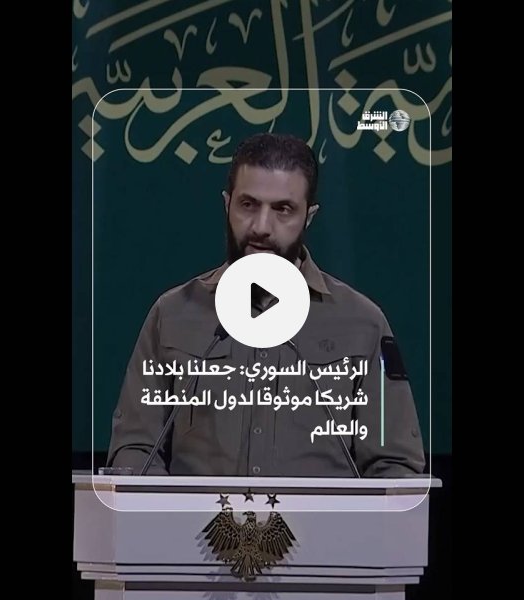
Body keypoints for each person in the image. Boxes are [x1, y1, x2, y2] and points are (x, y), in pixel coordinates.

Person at [106, 133, 425, 477]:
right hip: (192, 517)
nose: (261, 227)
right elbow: (135, 450)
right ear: (227, 205)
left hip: (324, 517)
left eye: (282, 210)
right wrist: (170, 509)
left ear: (309, 217)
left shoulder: (363, 323)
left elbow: (395, 467)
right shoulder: (172, 314)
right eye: (248, 205)